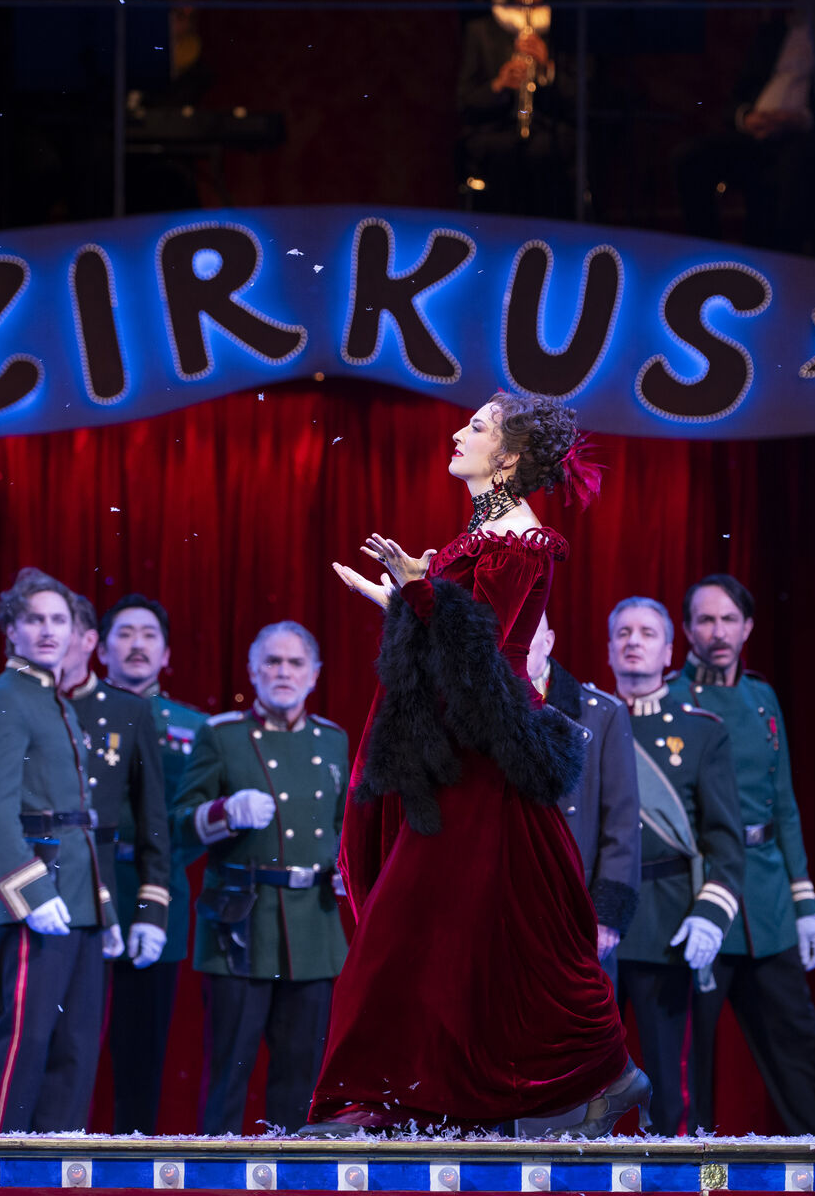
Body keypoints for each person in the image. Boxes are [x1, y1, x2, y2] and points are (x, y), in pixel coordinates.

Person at [307, 391, 647, 1137]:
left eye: (479, 427)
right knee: (502, 937)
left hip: (482, 768)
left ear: (512, 456)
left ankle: (382, 1098)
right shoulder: (481, 535)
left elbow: (481, 652)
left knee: (410, 933)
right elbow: (452, 638)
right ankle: (599, 1075)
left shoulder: (521, 540)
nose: (458, 433)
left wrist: (419, 589)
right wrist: (401, 595)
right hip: (459, 757)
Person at [672, 573, 815, 1137]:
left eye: (728, 620)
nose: (716, 631)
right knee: (691, 1072)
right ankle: (704, 1182)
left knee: (798, 1059)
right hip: (698, 902)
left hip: (767, 906)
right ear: (687, 629)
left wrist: (806, 905)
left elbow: (784, 805)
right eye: (704, 620)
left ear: (747, 627)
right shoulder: (670, 701)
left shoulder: (762, 698)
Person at [173, 621, 350, 1135]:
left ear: (314, 674)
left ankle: (293, 1182)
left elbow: (343, 825)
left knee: (301, 1080)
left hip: (313, 927)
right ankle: (214, 1185)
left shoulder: (333, 740)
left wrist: (345, 868)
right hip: (240, 922)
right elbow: (181, 819)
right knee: (228, 1074)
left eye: (296, 663)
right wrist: (226, 811)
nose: (283, 672)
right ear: (253, 670)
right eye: (272, 661)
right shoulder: (222, 735)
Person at [0, 567, 120, 1133]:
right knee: (24, 1044)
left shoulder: (53, 701)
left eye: (60, 620)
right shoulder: (6, 698)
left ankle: (58, 1168)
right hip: (39, 890)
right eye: (36, 619)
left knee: (75, 1047)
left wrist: (105, 908)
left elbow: (77, 817)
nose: (50, 630)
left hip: (78, 895)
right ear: (12, 629)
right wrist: (29, 887)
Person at [606, 597, 743, 1136]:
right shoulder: (583, 723)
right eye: (622, 633)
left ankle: (688, 1188)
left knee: (669, 1087)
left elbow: (726, 845)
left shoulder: (704, 732)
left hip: (667, 925)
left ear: (668, 650)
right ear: (610, 647)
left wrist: (711, 914)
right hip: (594, 926)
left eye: (645, 632)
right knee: (580, 1087)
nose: (633, 641)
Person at [94, 593, 209, 1134]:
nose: (136, 644)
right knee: (70, 1042)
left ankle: (130, 1165)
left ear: (166, 655)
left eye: (148, 635)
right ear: (99, 647)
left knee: (142, 1049)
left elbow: (195, 819)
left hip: (158, 896)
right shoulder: (75, 713)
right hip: (81, 891)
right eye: (124, 633)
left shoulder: (195, 727)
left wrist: (157, 867)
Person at [525, 613, 640, 979]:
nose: (514, 640)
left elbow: (622, 826)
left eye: (528, 631)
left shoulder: (601, 713)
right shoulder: (471, 708)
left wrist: (606, 915)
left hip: (575, 907)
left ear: (549, 642)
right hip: (501, 907)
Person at [672, 12, 815, 254]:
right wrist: (747, 118)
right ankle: (706, 255)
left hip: (805, 137)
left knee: (798, 164)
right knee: (689, 158)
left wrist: (801, 120)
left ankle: (785, 262)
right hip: (755, 135)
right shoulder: (772, 33)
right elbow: (736, 98)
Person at [457, 0, 574, 218]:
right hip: (496, 130)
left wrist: (547, 69)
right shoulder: (480, 30)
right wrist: (498, 86)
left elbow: (581, 97)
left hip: (550, 130)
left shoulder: (566, 29)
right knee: (500, 153)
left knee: (544, 153)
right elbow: (465, 102)